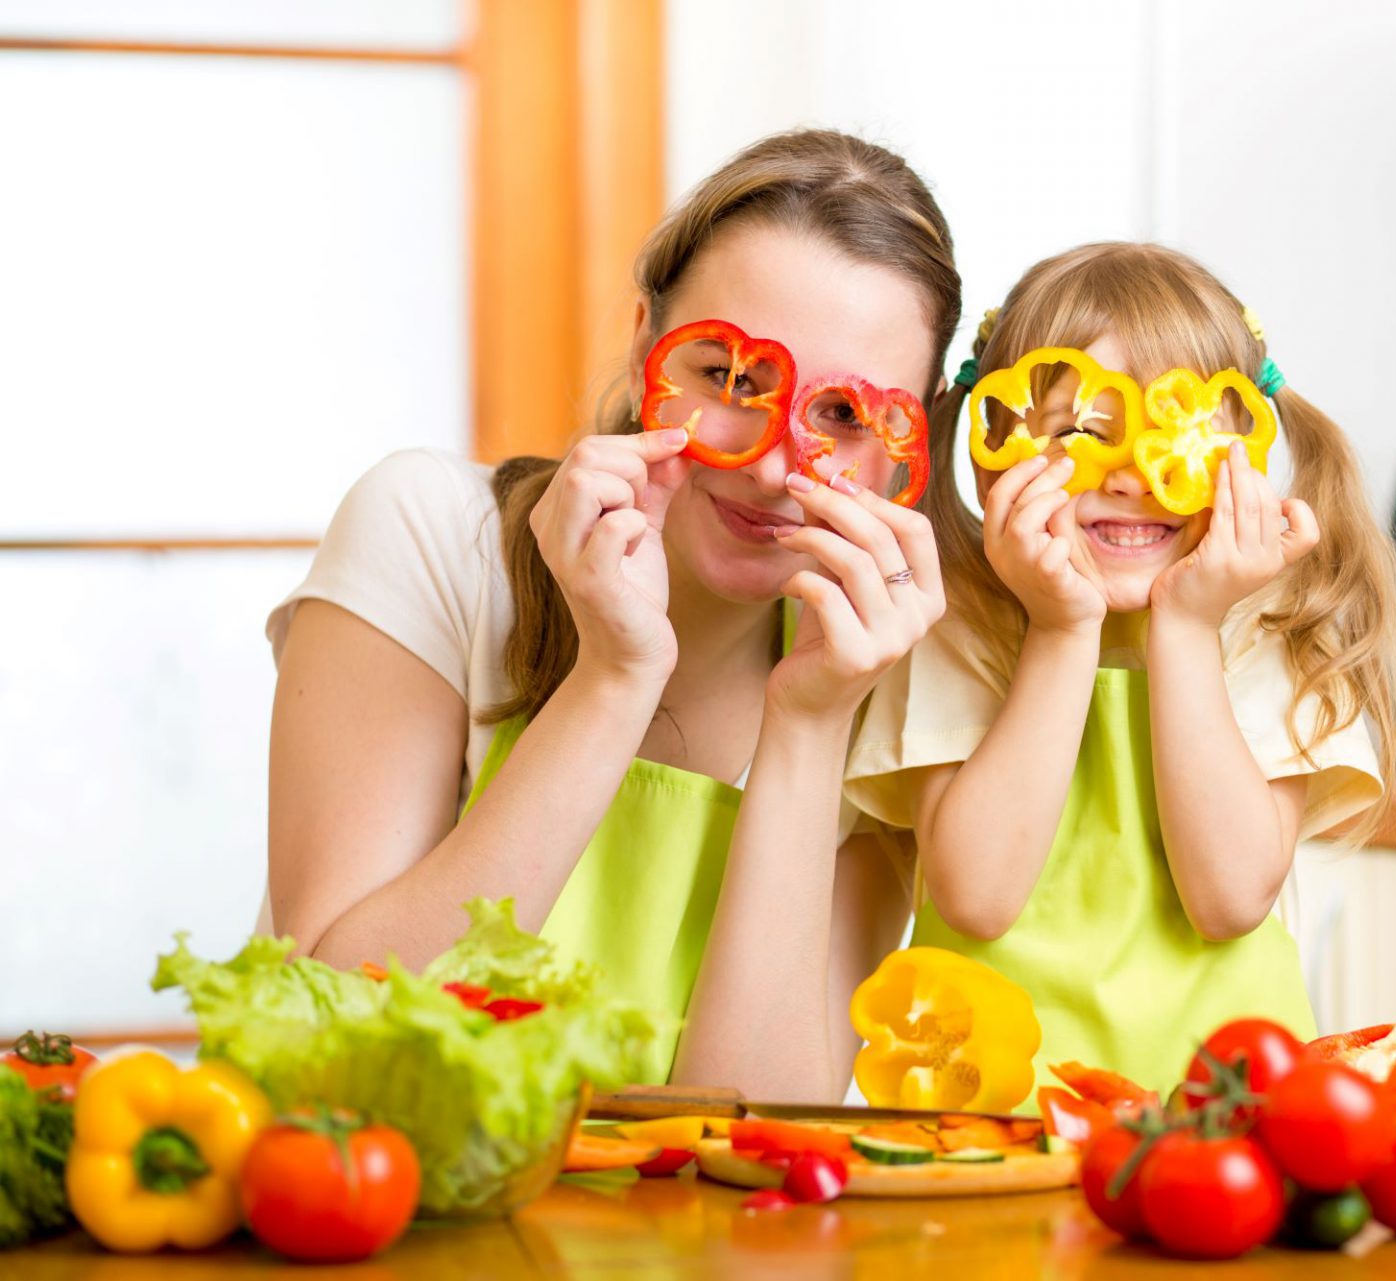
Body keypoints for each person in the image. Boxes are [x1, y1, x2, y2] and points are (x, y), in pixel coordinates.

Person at [265, 130, 961, 1099]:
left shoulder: (882, 673)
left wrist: (808, 726)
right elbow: (324, 1040)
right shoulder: (430, 532)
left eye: (843, 415)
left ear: (913, 433)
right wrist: (613, 679)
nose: (770, 467)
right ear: (647, 346)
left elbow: (754, 1138)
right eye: (727, 377)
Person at [845, 241, 1396, 1099]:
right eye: (1081, 431)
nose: (1130, 477)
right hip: (988, 1120)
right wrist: (1061, 626)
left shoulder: (1271, 623)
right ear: (995, 449)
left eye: (1174, 431)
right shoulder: (951, 617)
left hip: (1226, 1116)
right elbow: (977, 894)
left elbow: (1229, 899)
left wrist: (1186, 626)